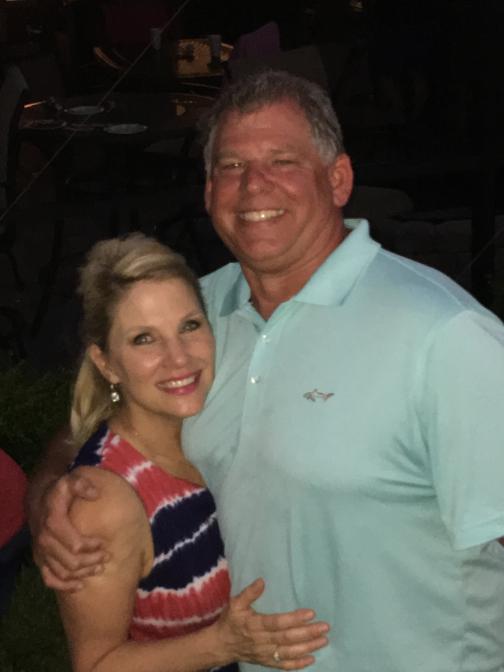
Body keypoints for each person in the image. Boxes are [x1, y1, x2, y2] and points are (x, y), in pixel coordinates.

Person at [28, 70, 504, 672]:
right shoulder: (194, 319)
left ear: (338, 179)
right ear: (208, 192)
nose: (254, 185)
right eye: (231, 166)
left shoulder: (445, 335)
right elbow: (100, 421)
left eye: (282, 161)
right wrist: (52, 498)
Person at [45, 233, 329, 672]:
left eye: (190, 326)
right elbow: (96, 664)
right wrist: (222, 644)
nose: (178, 359)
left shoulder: (219, 415)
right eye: (144, 339)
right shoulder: (105, 502)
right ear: (106, 363)